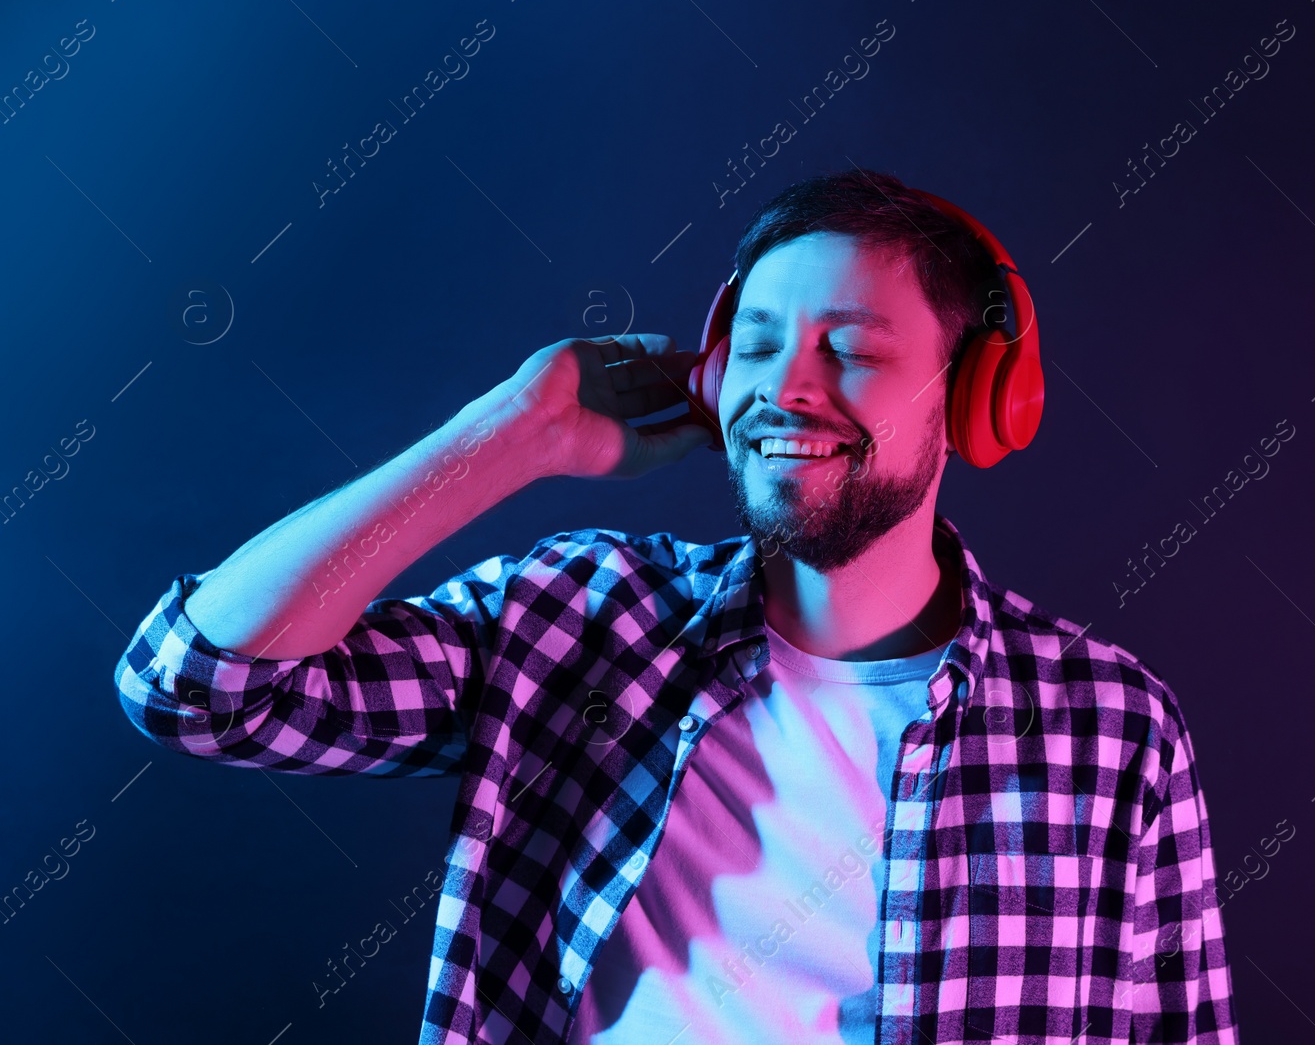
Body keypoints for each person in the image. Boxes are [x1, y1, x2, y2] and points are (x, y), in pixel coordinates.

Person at [114, 168, 1238, 1044]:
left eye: (848, 349)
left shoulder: (1109, 724)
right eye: (752, 343)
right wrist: (511, 435)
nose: (783, 385)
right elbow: (199, 686)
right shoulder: (583, 616)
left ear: (975, 395)